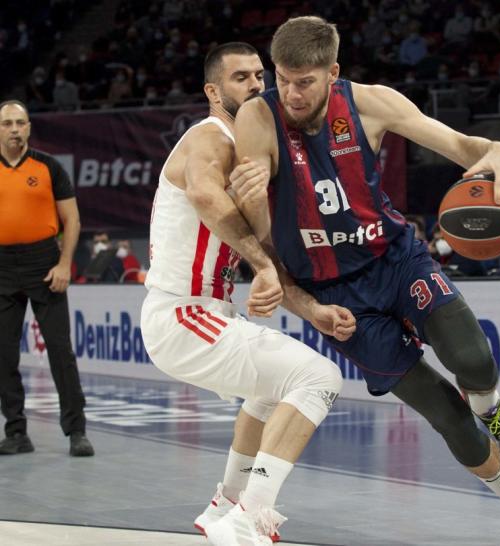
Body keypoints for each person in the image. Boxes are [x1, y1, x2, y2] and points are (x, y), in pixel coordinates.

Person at [230, 16, 500, 546]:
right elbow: (263, 243)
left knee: (473, 361)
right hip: (334, 295)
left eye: (305, 82)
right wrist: (305, 304)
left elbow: (463, 148)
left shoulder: (372, 102)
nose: (290, 92)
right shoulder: (256, 117)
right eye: (281, 79)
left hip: (396, 260)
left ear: (332, 73)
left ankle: (492, 407)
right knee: (446, 416)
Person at [140, 42, 355, 546]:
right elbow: (205, 197)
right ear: (213, 91)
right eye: (241, 78)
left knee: (267, 394)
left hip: (205, 311)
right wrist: (261, 266)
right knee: (319, 378)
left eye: (260, 76)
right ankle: (249, 518)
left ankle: (225, 504)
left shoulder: (249, 151)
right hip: (181, 313)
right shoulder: (209, 137)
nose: (258, 86)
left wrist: (313, 310)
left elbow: (265, 253)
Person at [0, 100, 94, 457]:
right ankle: (16, 432)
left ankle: (76, 432)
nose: (13, 129)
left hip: (45, 262)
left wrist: (64, 264)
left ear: (28, 127)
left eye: (19, 123)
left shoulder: (48, 166)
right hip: (2, 266)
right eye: (7, 123)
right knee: (3, 355)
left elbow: (72, 221)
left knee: (60, 350)